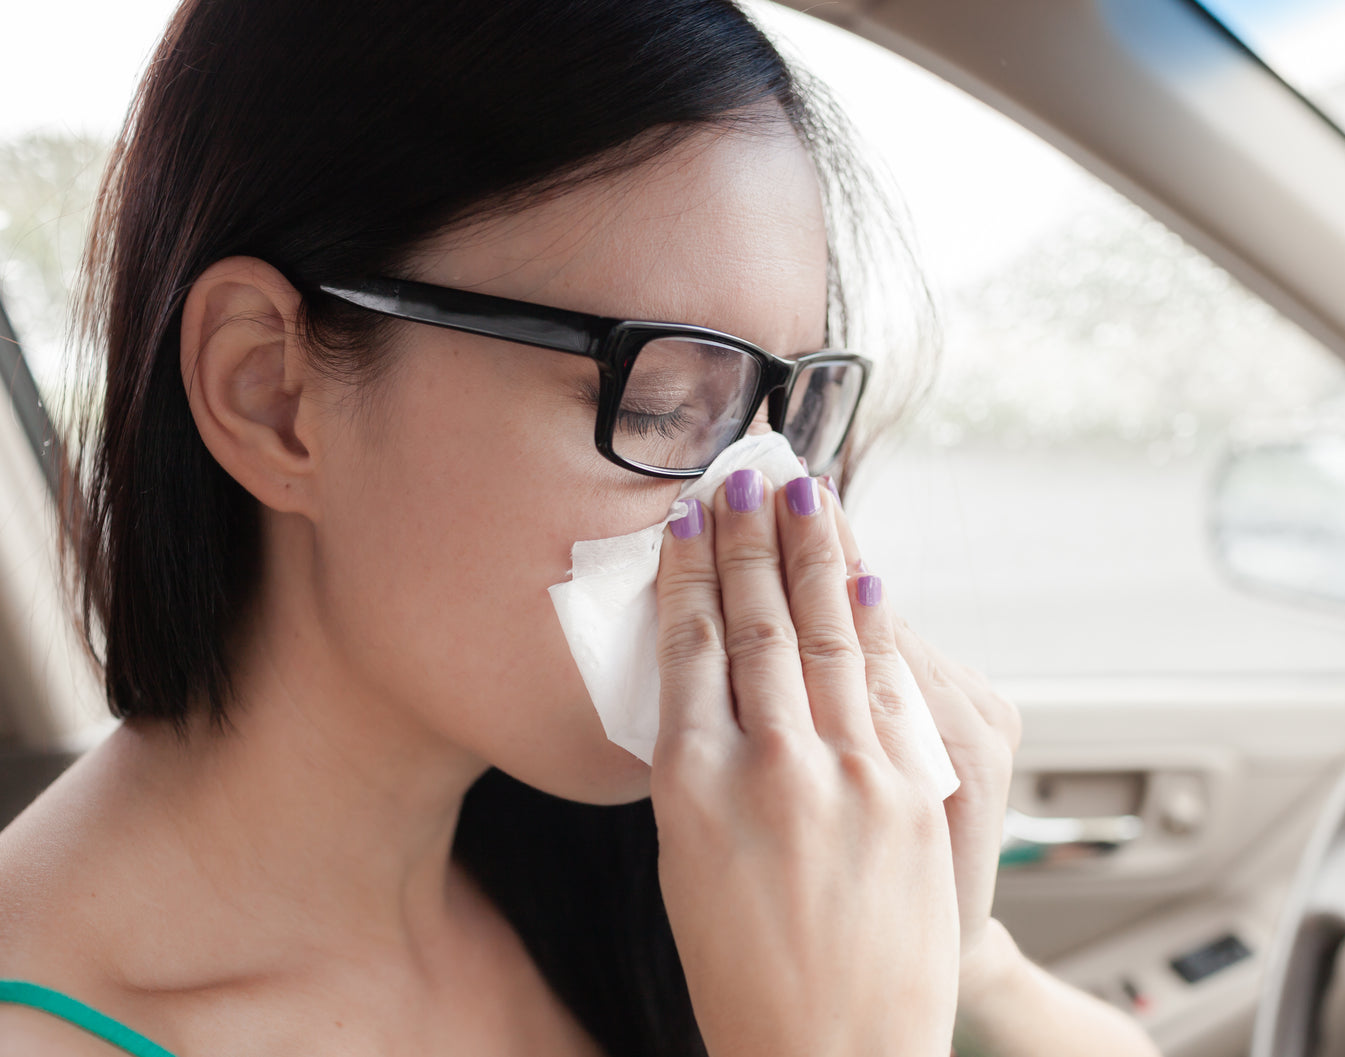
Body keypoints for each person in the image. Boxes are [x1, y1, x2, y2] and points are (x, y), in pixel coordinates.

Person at [0, 2, 1161, 1055]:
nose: (741, 500)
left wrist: (959, 963)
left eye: (780, 410)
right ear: (272, 393)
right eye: (660, 402)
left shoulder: (656, 868)